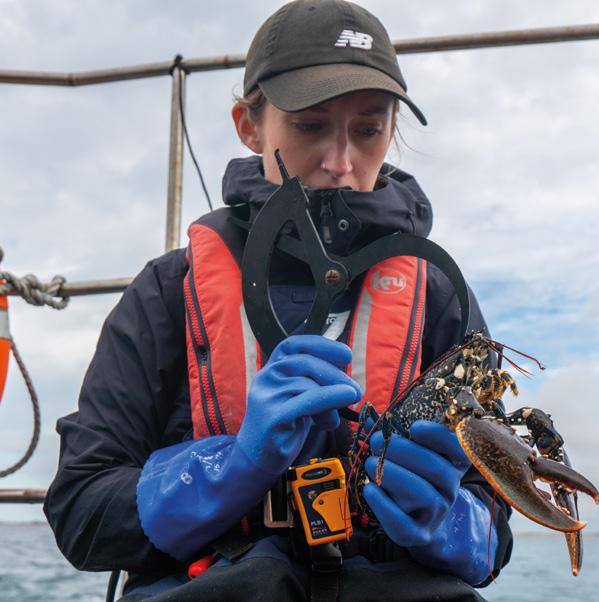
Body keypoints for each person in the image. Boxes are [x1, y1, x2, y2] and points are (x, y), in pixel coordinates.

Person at [44, 1, 513, 600]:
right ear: (248, 124)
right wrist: (232, 465)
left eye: (368, 130)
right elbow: (81, 513)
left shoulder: (439, 295)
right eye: (310, 126)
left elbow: (494, 532)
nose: (341, 163)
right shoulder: (167, 290)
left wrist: (444, 520)